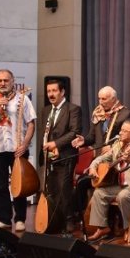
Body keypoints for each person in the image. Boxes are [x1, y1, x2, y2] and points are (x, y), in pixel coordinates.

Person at [0, 69, 36, 232]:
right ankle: (4, 218)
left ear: (12, 81)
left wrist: (24, 144)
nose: (3, 83)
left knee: (19, 185)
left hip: (18, 149)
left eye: (6, 80)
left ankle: (20, 219)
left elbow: (31, 123)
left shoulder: (22, 98)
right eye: (0, 80)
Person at [71, 86, 130, 225]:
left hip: (116, 162)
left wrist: (113, 147)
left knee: (98, 186)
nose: (100, 102)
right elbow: (92, 137)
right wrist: (84, 140)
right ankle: (82, 219)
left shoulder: (126, 114)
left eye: (104, 99)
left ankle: (108, 225)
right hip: (100, 162)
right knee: (82, 183)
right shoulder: (98, 114)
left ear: (113, 99)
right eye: (99, 98)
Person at [87, 120, 130, 241]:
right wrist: (93, 167)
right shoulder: (117, 145)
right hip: (122, 185)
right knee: (99, 193)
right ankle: (102, 227)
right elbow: (101, 158)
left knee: (122, 196)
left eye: (125, 131)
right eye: (121, 130)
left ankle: (128, 229)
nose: (120, 132)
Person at [39, 79, 82, 233]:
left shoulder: (73, 109)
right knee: (53, 189)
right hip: (49, 157)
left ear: (62, 92)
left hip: (66, 156)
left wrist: (56, 144)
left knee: (64, 189)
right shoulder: (45, 110)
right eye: (49, 91)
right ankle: (56, 220)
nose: (51, 94)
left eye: (54, 91)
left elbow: (74, 132)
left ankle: (69, 220)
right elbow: (45, 133)